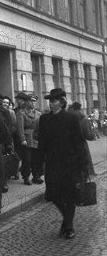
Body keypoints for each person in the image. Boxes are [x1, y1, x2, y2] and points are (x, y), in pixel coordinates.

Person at [36, 88, 87, 239]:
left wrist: (82, 164)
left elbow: (79, 142)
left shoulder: (71, 119)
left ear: (62, 102)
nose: (52, 104)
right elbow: (42, 143)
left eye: (55, 100)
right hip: (52, 163)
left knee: (69, 195)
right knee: (53, 194)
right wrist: (37, 163)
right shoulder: (45, 119)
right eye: (50, 101)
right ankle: (67, 220)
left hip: (70, 163)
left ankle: (69, 226)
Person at [16, 94, 41, 185]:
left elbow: (40, 127)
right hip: (26, 139)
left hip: (36, 139)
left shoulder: (38, 113)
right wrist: (22, 139)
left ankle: (36, 176)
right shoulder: (21, 113)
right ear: (26, 102)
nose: (33, 103)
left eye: (34, 101)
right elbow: (20, 127)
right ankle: (26, 177)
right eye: (31, 101)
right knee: (27, 160)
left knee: (36, 159)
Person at [69, 102, 97, 176]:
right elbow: (88, 135)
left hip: (68, 146)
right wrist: (93, 134)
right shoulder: (83, 119)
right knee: (84, 166)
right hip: (81, 145)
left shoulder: (67, 117)